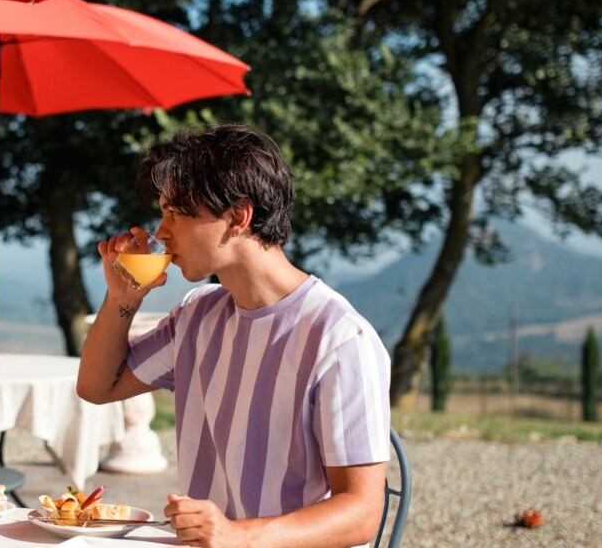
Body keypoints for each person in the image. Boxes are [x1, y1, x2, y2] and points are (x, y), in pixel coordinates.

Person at [78, 125, 391, 548]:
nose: (161, 231)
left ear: (238, 218)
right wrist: (122, 297)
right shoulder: (197, 315)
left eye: (176, 212)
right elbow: (97, 387)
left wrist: (237, 536)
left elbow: (362, 514)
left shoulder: (339, 339)